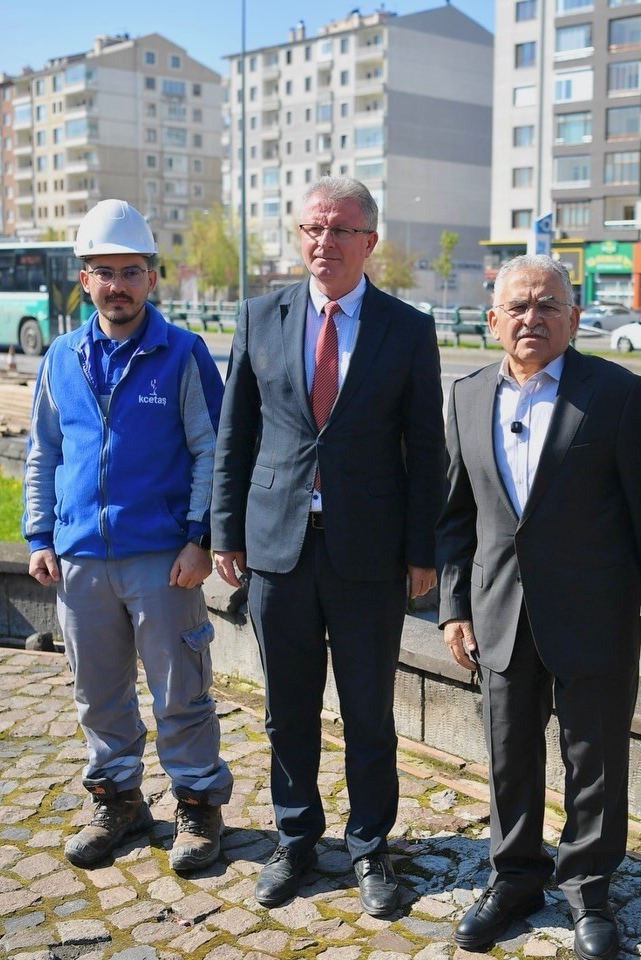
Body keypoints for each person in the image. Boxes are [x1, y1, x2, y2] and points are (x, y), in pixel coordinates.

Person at [211, 176, 445, 912]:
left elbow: (426, 447)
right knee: (286, 706)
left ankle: (371, 846)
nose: (325, 243)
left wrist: (422, 551)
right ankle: (296, 837)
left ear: (370, 242)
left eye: (342, 230)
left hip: (369, 555)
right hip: (277, 548)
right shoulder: (259, 317)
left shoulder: (407, 330)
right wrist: (225, 532)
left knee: (369, 710)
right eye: (314, 228)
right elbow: (234, 436)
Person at [437, 255, 641, 959]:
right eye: (518, 307)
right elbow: (455, 516)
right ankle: (515, 879)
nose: (531, 319)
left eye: (546, 306)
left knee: (594, 759)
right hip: (500, 610)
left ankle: (589, 892)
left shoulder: (618, 394)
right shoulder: (467, 395)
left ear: (572, 317)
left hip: (597, 611)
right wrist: (454, 607)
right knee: (509, 756)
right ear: (495, 318)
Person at [24, 198, 232, 874]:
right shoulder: (60, 359)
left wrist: (201, 536)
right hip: (81, 559)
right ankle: (117, 799)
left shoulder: (184, 355)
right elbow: (43, 454)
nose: (118, 284)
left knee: (182, 692)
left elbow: (213, 451)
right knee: (98, 692)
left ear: (152, 277)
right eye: (104, 271)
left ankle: (198, 808)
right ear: (84, 279)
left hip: (163, 559)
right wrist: (39, 534)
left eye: (132, 270)